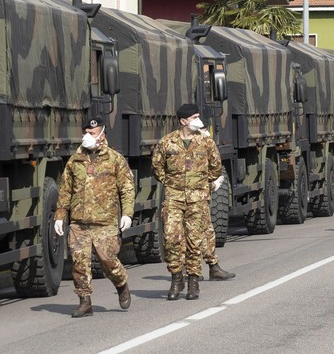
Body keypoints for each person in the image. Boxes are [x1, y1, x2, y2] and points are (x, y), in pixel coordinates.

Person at [54, 116, 135, 318]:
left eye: (92, 133)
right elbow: (65, 190)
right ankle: (84, 302)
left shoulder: (115, 159)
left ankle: (121, 283)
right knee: (79, 263)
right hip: (79, 223)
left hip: (104, 222)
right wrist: (60, 215)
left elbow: (126, 188)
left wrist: (127, 214)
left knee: (108, 260)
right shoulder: (75, 161)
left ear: (102, 134)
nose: (88, 136)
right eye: (86, 133)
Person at [152, 104, 222, 300]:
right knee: (171, 240)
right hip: (174, 199)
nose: (199, 120)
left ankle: (193, 281)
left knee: (194, 241)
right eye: (195, 117)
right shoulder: (167, 142)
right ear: (183, 121)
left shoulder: (205, 143)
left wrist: (200, 183)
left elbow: (216, 167)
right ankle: (176, 279)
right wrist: (171, 183)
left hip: (197, 200)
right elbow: (157, 167)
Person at [198, 127, 235, 281]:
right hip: (185, 200)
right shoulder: (179, 146)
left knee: (207, 232)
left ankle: (213, 267)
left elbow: (213, 167)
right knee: (187, 236)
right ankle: (192, 271)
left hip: (200, 198)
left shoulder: (203, 144)